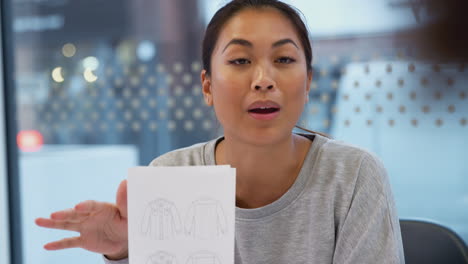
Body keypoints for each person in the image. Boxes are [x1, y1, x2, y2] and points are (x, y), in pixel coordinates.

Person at [35, 0, 405, 263]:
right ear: (207, 86)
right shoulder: (171, 176)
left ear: (307, 82)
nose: (263, 80)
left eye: (284, 60)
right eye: (241, 61)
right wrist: (123, 251)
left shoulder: (353, 177)